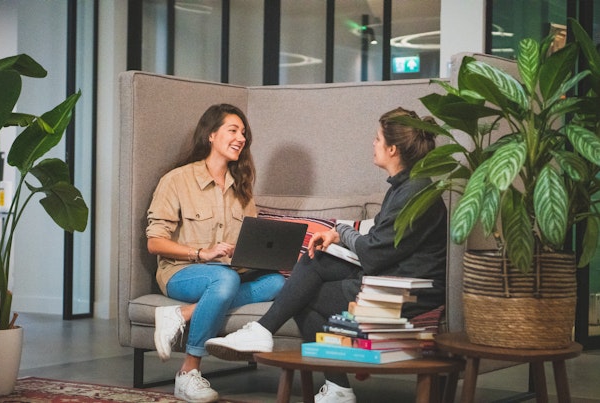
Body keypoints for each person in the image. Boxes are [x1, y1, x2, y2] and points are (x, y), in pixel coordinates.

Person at [205, 107, 447, 403]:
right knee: (313, 262)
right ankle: (318, 374)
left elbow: (374, 254)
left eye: (377, 138)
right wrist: (336, 237)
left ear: (393, 149)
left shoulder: (413, 192)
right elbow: (380, 244)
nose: (373, 143)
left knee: (300, 295)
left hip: (404, 292)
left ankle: (329, 380)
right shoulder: (404, 188)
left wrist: (341, 231)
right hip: (390, 279)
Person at [146, 103, 286, 403]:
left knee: (277, 283)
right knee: (224, 281)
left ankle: (181, 315)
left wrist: (248, 254)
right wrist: (201, 253)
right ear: (210, 135)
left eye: (244, 133)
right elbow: (155, 243)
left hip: (226, 274)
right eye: (233, 130)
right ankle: (188, 372)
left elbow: (248, 243)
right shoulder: (177, 180)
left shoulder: (242, 189)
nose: (241, 138)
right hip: (179, 273)